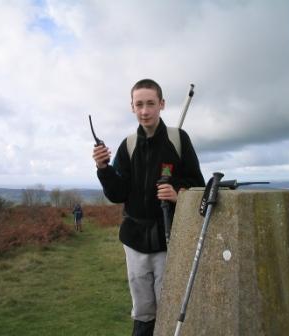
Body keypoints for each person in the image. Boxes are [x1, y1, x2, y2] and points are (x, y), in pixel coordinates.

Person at [92, 79, 204, 336]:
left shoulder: (178, 140)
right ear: (132, 107)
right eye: (139, 104)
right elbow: (117, 193)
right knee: (143, 309)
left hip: (169, 239)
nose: (145, 111)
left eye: (150, 104)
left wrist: (179, 194)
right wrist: (103, 169)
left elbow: (197, 184)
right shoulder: (128, 146)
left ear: (161, 104)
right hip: (134, 241)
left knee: (168, 305)